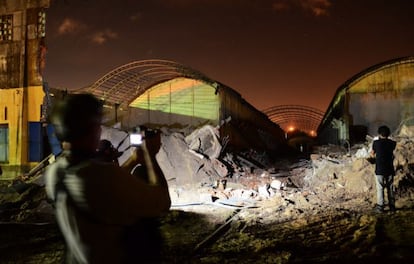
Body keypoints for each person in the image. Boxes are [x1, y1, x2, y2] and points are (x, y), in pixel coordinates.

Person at [45, 93, 171, 263]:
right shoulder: (99, 176)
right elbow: (162, 202)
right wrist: (151, 156)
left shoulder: (55, 172)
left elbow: (105, 187)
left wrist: (134, 160)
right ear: (91, 128)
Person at [370, 125, 396, 213]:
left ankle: (380, 207)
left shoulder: (376, 143)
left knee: (380, 188)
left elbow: (372, 154)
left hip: (380, 169)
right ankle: (392, 206)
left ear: (379, 134)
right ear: (388, 134)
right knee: (390, 188)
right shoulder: (392, 143)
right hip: (390, 168)